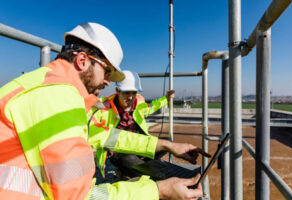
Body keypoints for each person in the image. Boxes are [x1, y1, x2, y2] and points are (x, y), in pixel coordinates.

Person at [0, 22, 204, 200]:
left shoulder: (41, 86)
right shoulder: (56, 96)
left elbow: (108, 137)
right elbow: (80, 197)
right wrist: (158, 190)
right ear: (82, 61)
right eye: (106, 70)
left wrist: (167, 145)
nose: (107, 81)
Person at [93, 70, 174, 179]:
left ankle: (130, 168)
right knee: (141, 168)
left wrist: (166, 99)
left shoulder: (138, 104)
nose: (131, 97)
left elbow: (151, 107)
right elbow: (91, 123)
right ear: (117, 90)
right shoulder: (105, 108)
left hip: (136, 145)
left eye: (134, 93)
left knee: (166, 144)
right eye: (126, 92)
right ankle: (129, 169)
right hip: (118, 151)